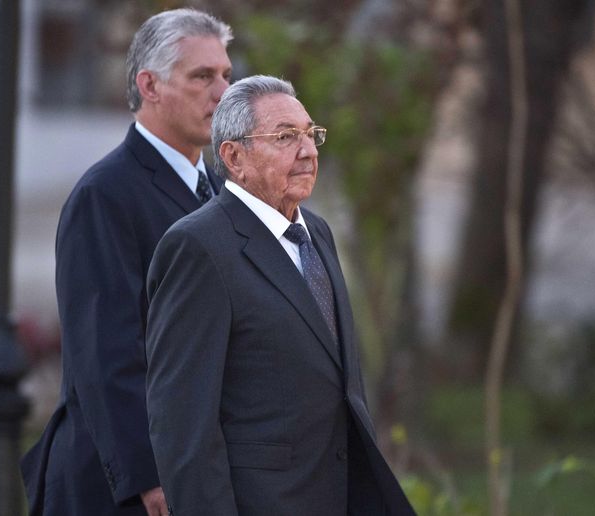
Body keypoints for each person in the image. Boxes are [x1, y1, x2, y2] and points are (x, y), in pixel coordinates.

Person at [143, 75, 416, 516]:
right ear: (234, 157)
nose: (308, 151)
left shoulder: (317, 232)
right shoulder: (198, 247)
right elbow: (183, 425)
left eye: (311, 134)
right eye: (286, 137)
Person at [20, 8, 233, 516]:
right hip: (124, 489)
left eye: (226, 75)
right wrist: (147, 474)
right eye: (202, 76)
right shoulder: (105, 194)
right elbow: (104, 347)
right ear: (150, 85)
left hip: (199, 472)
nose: (223, 92)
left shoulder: (225, 192)